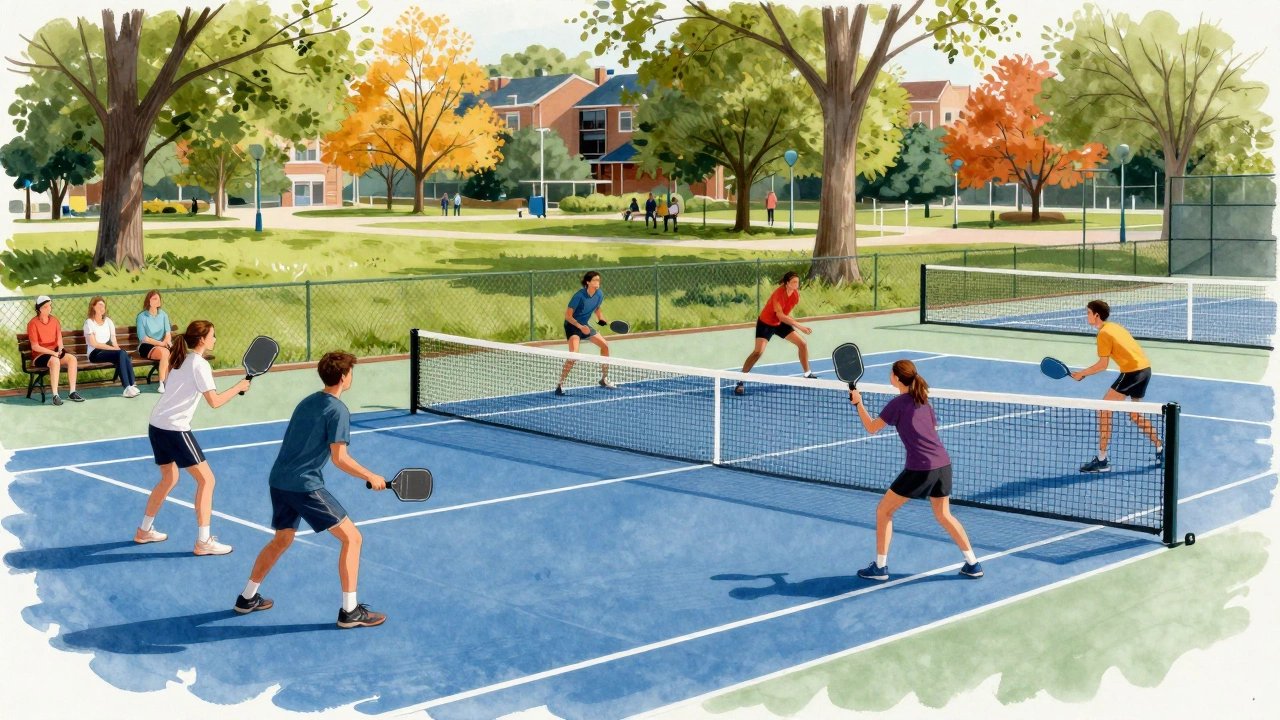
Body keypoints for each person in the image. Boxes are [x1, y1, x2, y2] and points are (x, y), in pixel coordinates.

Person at [234, 351, 389, 628]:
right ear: (343, 377)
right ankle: (350, 611)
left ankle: (247, 598)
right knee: (352, 539)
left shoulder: (308, 401)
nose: (352, 375)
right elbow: (340, 458)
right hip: (303, 485)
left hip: (279, 480)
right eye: (351, 372)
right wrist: (371, 475)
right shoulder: (338, 410)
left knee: (281, 540)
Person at [850, 360, 983, 580]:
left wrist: (858, 404)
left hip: (920, 469)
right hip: (943, 465)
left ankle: (880, 568)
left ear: (896, 378)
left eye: (890, 373)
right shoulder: (924, 402)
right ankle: (973, 563)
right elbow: (930, 430)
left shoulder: (898, 404)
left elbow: (872, 428)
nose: (889, 376)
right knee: (944, 515)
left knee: (884, 511)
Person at [135, 321, 252, 555]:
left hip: (156, 425)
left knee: (169, 479)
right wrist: (239, 386)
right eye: (213, 335)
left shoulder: (181, 359)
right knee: (207, 481)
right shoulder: (199, 365)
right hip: (175, 429)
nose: (215, 339)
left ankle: (144, 531)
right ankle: (204, 542)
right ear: (202, 340)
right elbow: (215, 402)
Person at [1070, 300, 1164, 472]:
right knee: (1135, 416)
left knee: (1104, 410)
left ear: (1096, 315)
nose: (1087, 316)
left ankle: (1102, 460)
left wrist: (1082, 373)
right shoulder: (1114, 326)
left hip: (1132, 373)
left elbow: (1103, 365)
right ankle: (1160, 447)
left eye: (1089, 312)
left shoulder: (1104, 334)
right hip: (1144, 369)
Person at [734, 271, 816, 395]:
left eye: (798, 282)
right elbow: (780, 315)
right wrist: (799, 326)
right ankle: (740, 381)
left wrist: (792, 325)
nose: (797, 284)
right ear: (787, 283)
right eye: (794, 282)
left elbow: (784, 315)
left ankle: (807, 374)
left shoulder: (795, 295)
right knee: (758, 352)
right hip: (766, 323)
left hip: (779, 323)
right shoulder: (778, 294)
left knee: (802, 344)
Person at [556, 271, 615, 395]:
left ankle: (604, 379)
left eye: (598, 280)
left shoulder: (599, 294)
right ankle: (560, 385)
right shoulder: (579, 296)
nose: (597, 283)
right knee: (574, 355)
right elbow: (568, 316)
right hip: (573, 326)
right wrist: (580, 327)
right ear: (588, 282)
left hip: (585, 326)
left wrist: (601, 318)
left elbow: (597, 308)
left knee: (605, 346)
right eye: (594, 280)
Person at [26, 295, 82, 406]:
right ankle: (55, 395)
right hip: (40, 355)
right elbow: (35, 347)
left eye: (50, 306)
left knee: (72, 359)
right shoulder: (33, 323)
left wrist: (61, 349)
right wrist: (53, 353)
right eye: (46, 307)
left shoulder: (55, 321)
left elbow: (59, 340)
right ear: (39, 308)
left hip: (54, 353)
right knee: (55, 361)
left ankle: (72, 392)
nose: (49, 309)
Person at [83, 296, 140, 398]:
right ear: (93, 307)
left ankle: (131, 385)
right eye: (100, 305)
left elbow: (114, 341)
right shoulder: (89, 323)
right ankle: (129, 386)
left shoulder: (108, 321)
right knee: (121, 353)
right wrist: (114, 349)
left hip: (108, 351)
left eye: (103, 306)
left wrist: (117, 348)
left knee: (122, 353)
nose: (102, 308)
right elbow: (94, 344)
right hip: (95, 353)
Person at [136, 290, 173, 393]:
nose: (158, 301)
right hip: (146, 346)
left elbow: (168, 334)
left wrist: (165, 342)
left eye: (158, 298)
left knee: (169, 353)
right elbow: (143, 338)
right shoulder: (142, 317)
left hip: (162, 345)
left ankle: (167, 382)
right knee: (165, 352)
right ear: (149, 301)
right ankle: (162, 383)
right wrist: (161, 344)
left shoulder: (163, 315)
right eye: (154, 298)